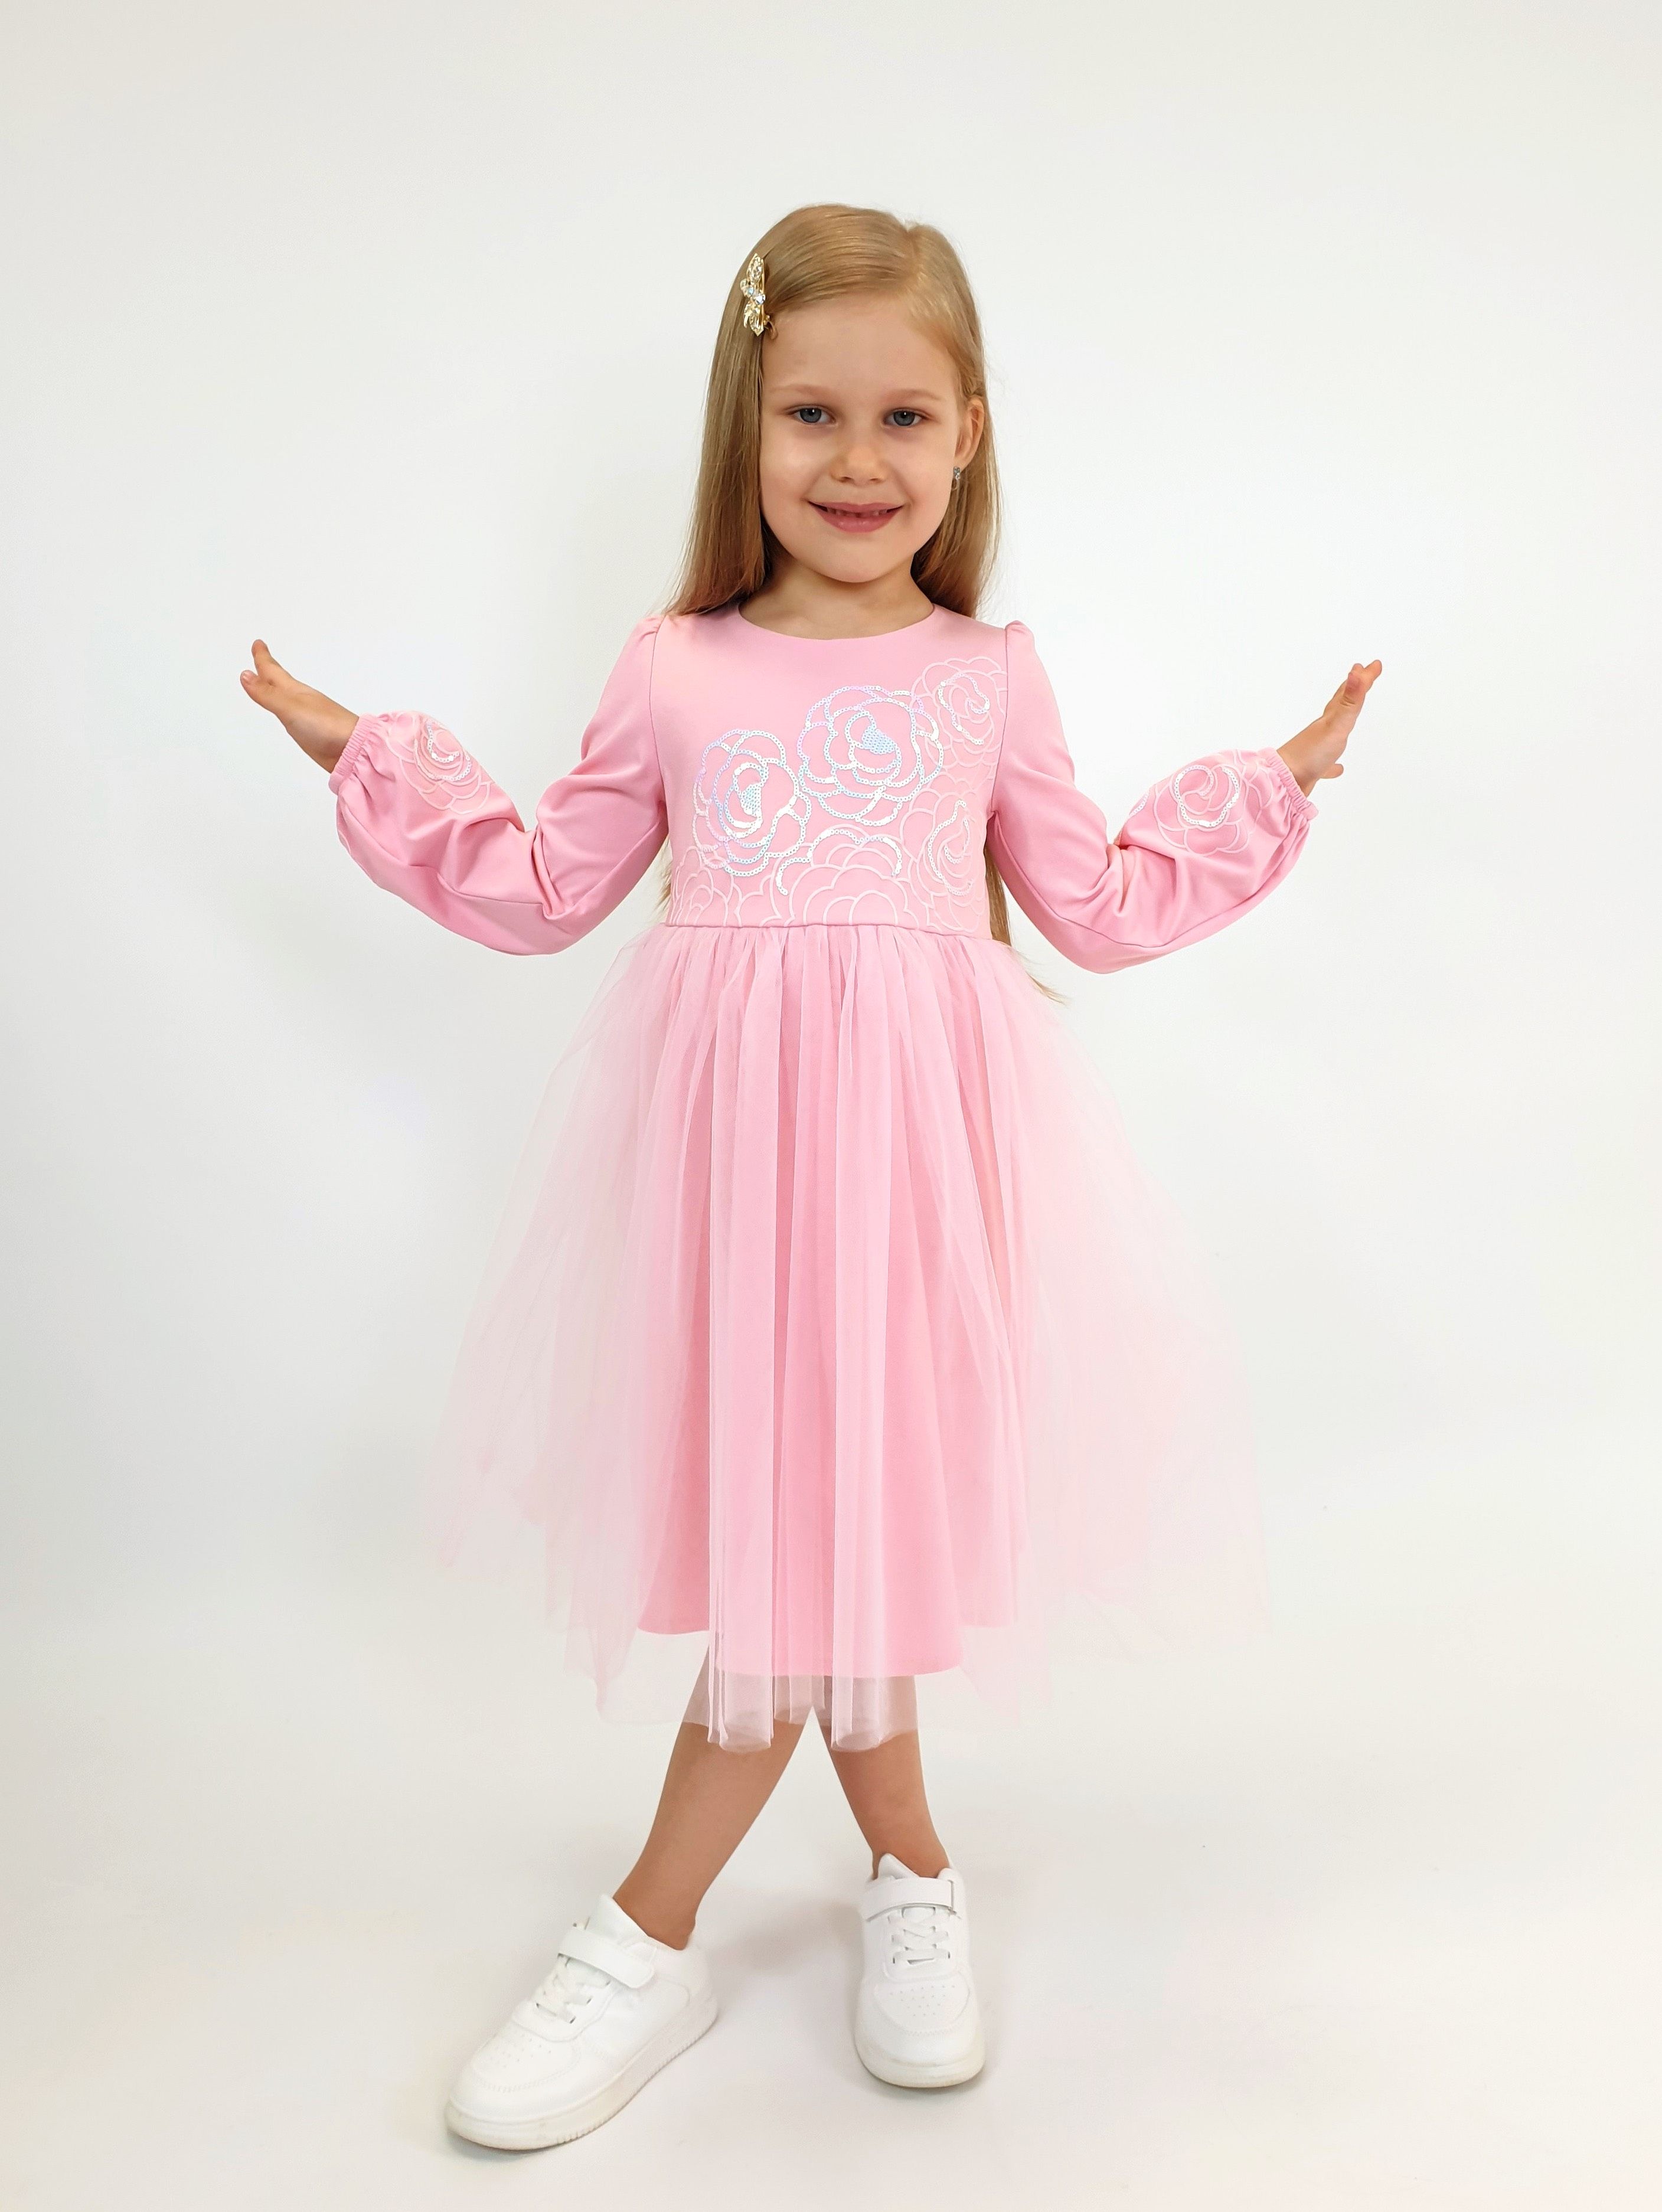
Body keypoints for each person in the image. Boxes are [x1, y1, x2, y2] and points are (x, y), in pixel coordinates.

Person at [241, 201, 1380, 2148]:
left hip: (912, 1190)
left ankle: (652, 1922)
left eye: (904, 418)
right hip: (738, 1194)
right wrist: (368, 755)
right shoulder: (676, 663)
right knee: (808, 1535)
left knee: (832, 1535)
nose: (859, 461)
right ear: (744, 427)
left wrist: (1271, 782)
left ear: (970, 433)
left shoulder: (987, 673)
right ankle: (903, 1873)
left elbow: (1097, 904)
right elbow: (548, 884)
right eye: (813, 415)